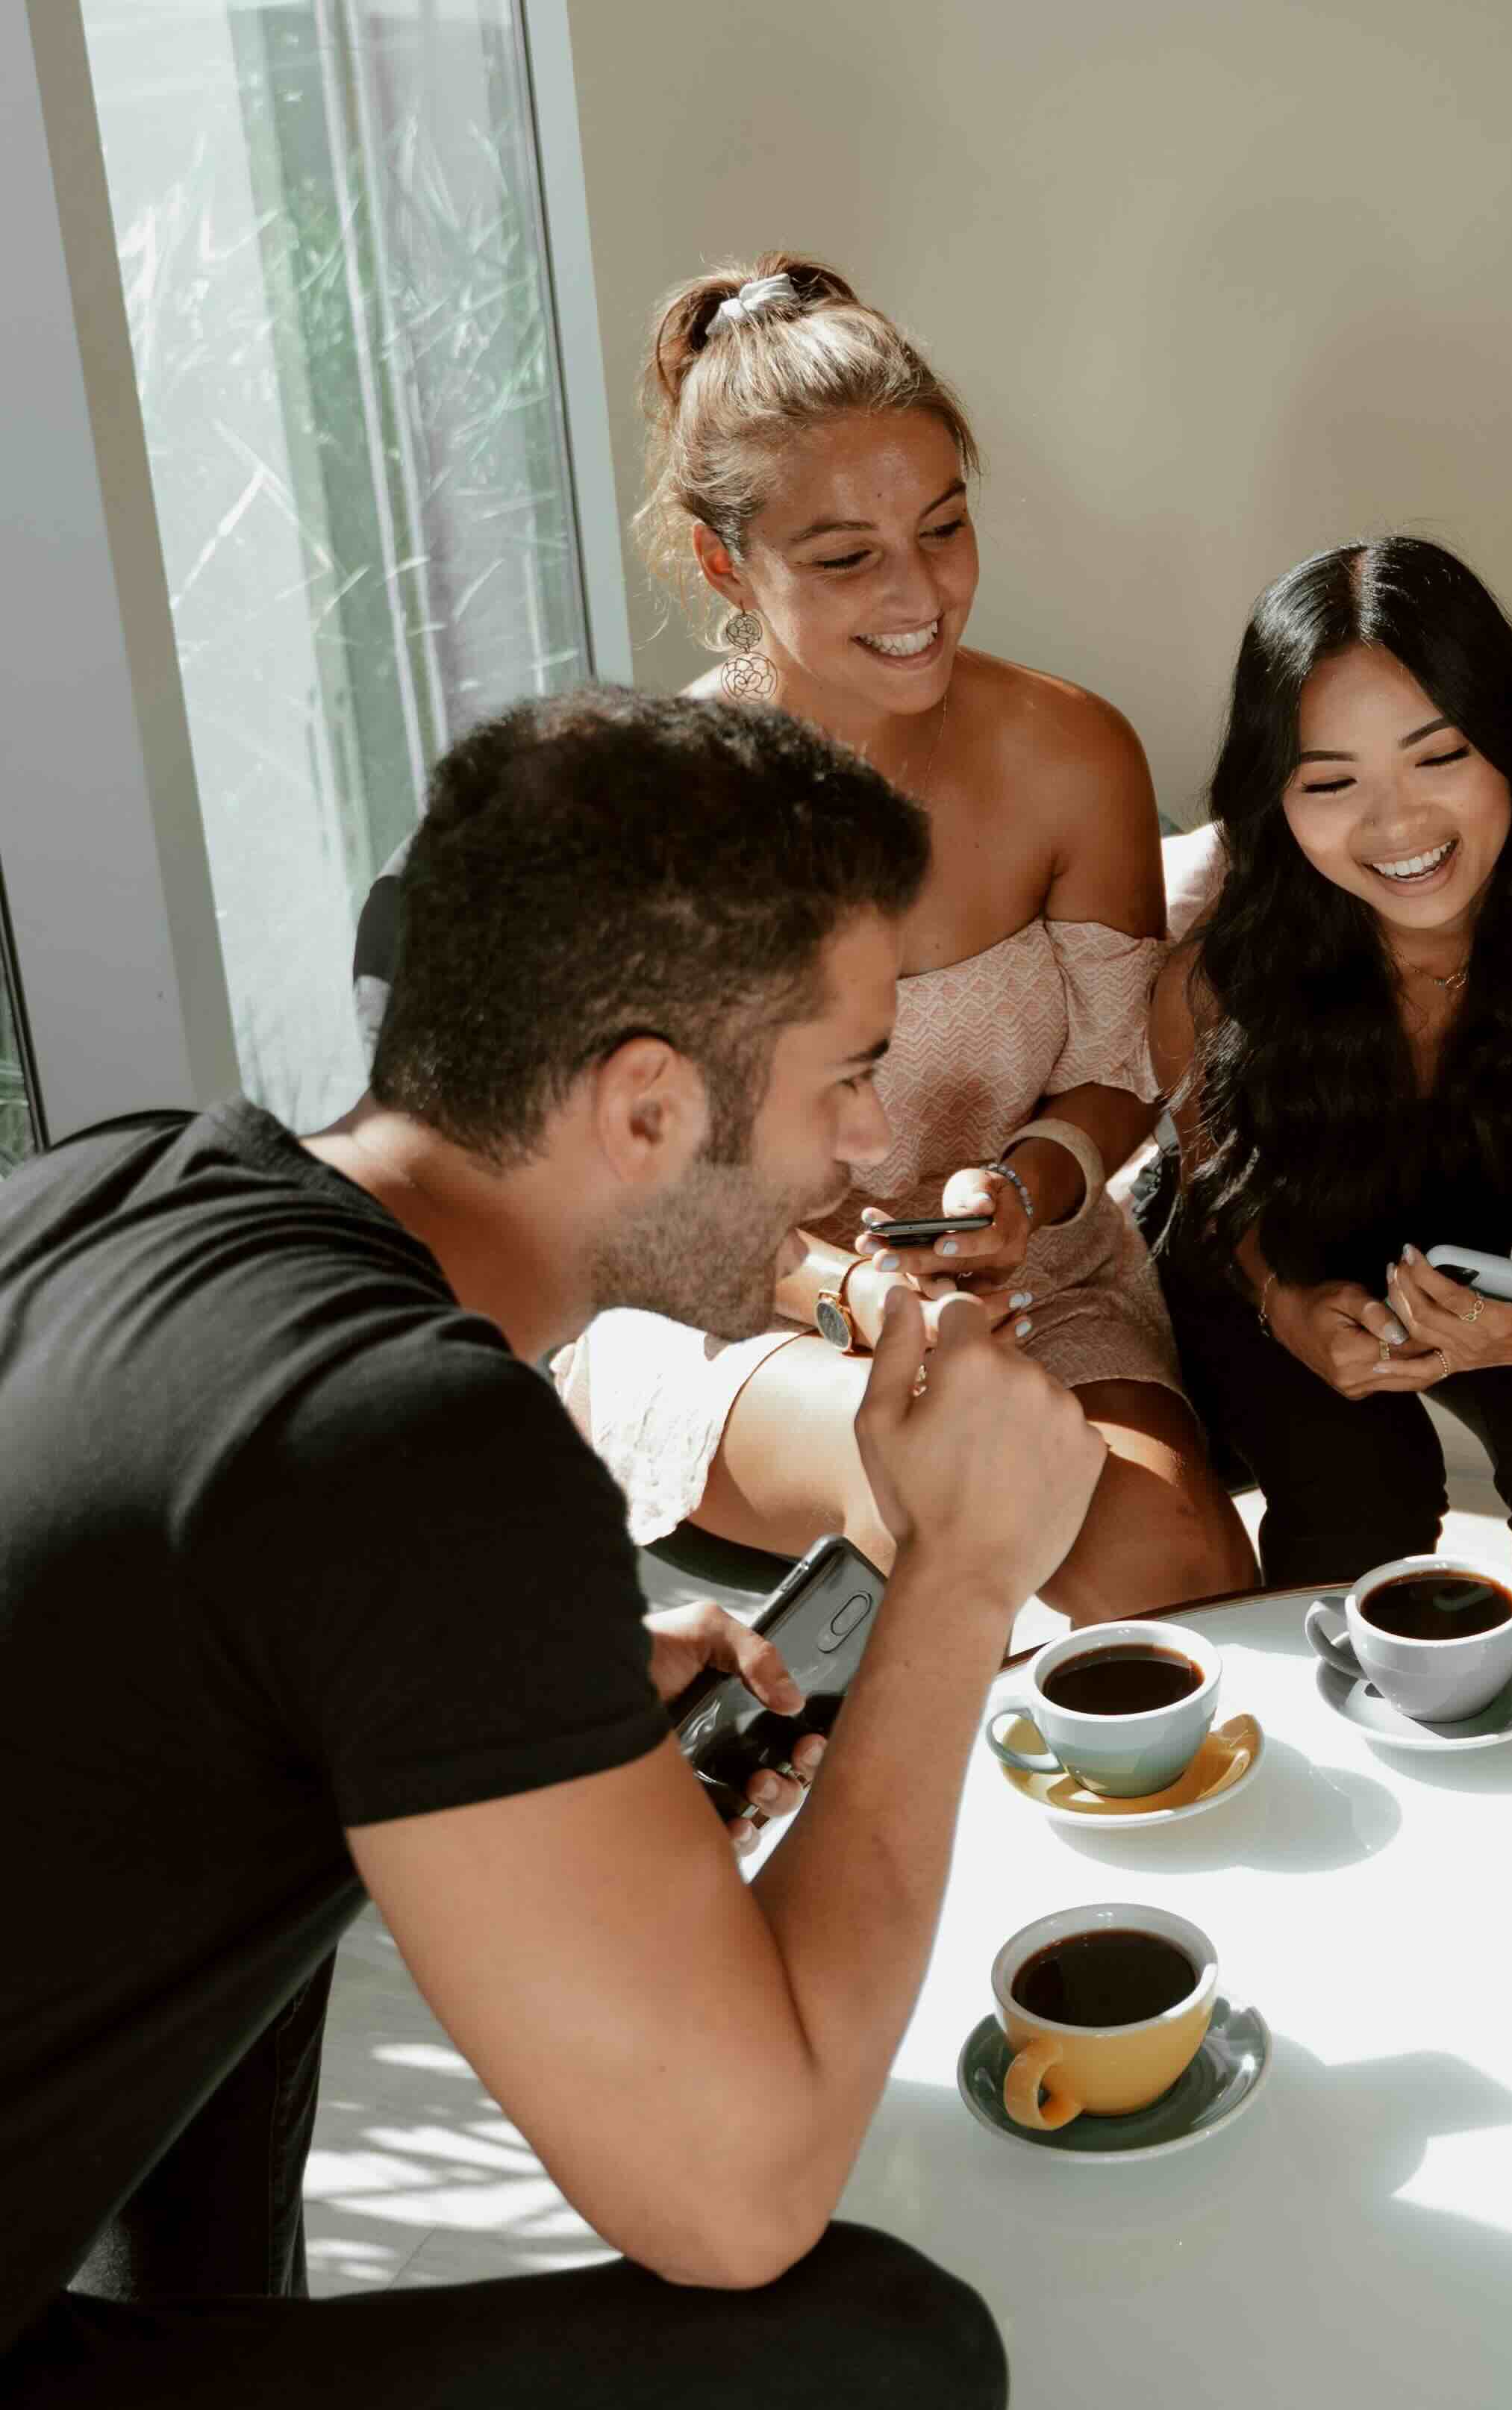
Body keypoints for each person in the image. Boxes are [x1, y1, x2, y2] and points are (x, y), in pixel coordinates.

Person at [0, 690, 1099, 2403]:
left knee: (266, 1838)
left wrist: (523, 1702)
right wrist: (959, 1577)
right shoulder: (412, 1446)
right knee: (871, 2349)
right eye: (852, 1072)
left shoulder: (122, 1190)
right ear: (649, 1108)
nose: (876, 1141)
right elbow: (736, 2200)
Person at [557, 250, 1252, 1617]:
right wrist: (855, 1296)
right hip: (739, 1305)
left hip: (1031, 1274)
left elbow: (1118, 1073)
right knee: (961, 1505)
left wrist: (1030, 1186)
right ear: (724, 559)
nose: (919, 592)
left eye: (942, 527)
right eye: (845, 557)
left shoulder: (1073, 754)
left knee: (1186, 1567)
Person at [1152, 537, 1512, 1585]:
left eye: (1440, 758)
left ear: (1510, 749)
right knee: (1358, 1500)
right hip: (1285, 1251)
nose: (1397, 825)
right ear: (1274, 795)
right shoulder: (1212, 980)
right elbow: (1210, 1193)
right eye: (1332, 781)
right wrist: (1285, 1306)